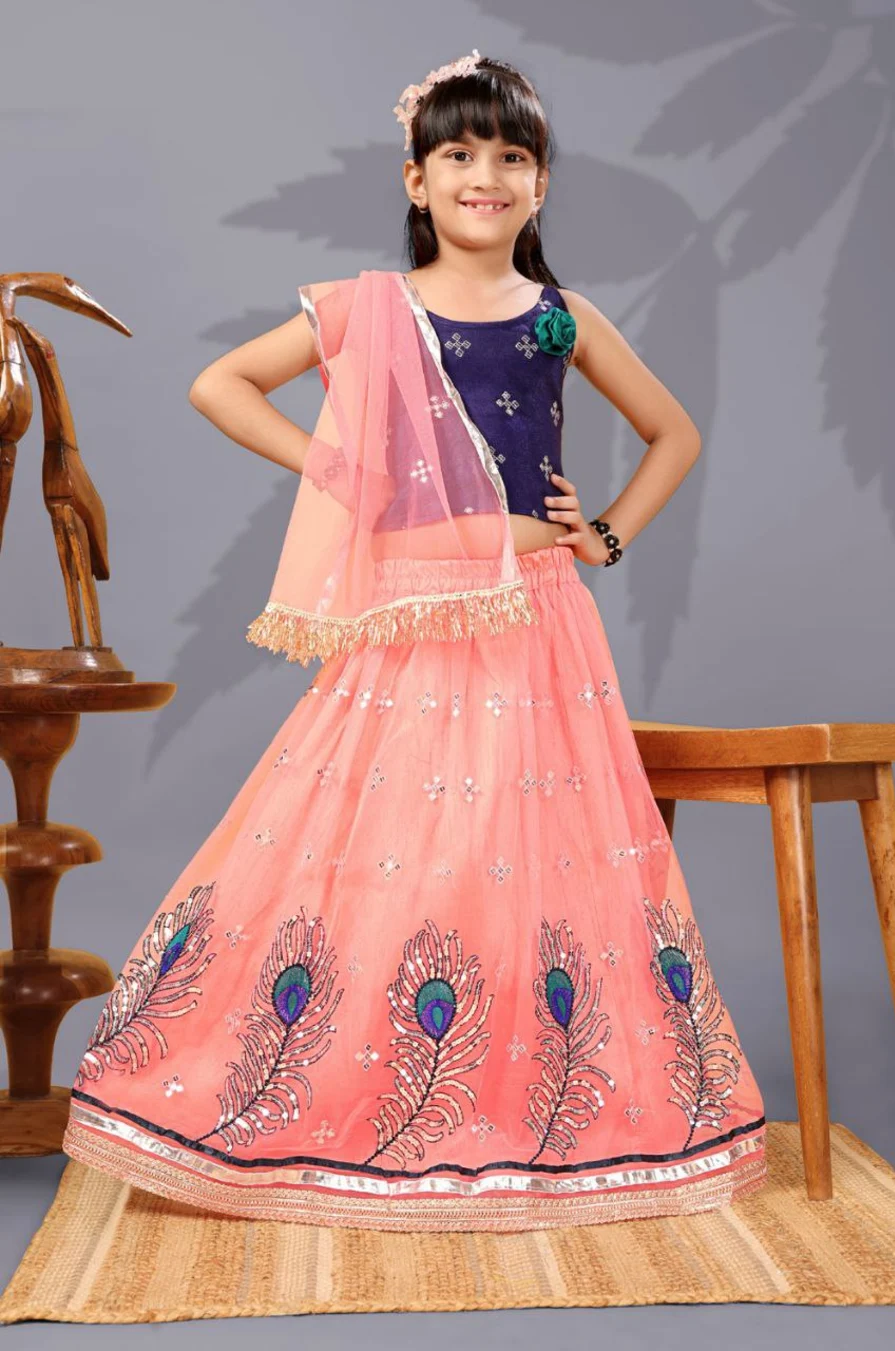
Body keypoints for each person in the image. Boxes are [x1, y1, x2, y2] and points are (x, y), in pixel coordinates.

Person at [62, 50, 767, 1232]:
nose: (485, 175)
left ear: (541, 183)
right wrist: (338, 465)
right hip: (410, 614)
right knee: (399, 849)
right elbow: (221, 385)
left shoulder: (561, 316)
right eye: (459, 154)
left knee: (521, 851)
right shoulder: (371, 309)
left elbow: (674, 432)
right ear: (416, 178)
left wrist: (603, 533)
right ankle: (359, 1096)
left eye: (512, 155)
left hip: (537, 617)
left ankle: (524, 1102)